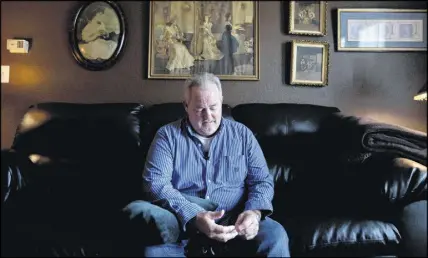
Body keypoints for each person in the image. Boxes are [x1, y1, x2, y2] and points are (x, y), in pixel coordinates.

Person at [142, 73, 290, 257]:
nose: (208, 116)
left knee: (275, 237)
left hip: (235, 219)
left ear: (221, 101)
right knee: (151, 252)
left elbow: (261, 181)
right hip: (183, 221)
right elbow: (155, 184)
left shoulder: (242, 135)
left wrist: (254, 213)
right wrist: (194, 216)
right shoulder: (167, 136)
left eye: (213, 107)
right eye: (199, 109)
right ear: (186, 106)